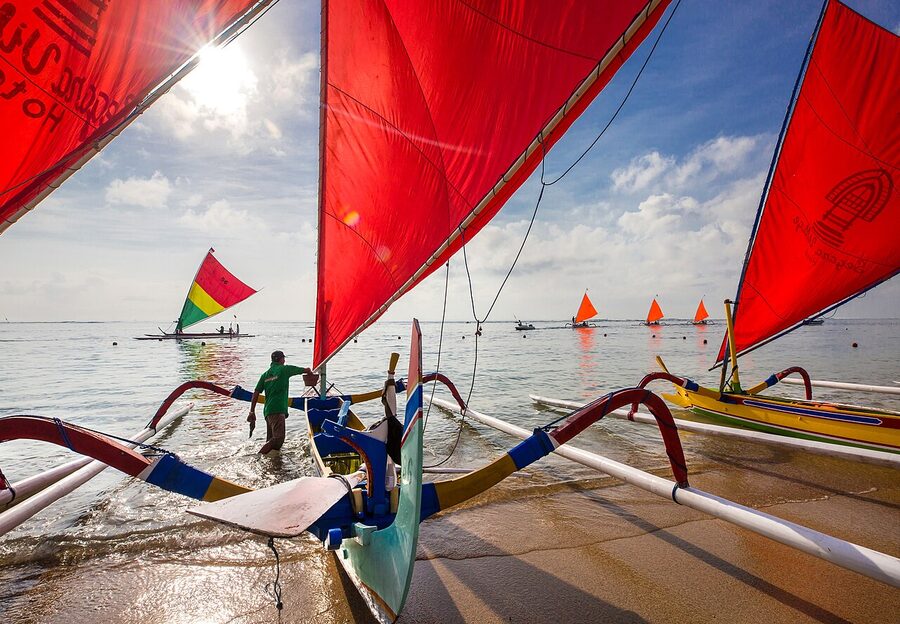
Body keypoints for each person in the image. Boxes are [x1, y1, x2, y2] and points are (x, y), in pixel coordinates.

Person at [248, 350, 309, 454]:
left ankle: (272, 465)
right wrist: (309, 371)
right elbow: (303, 370)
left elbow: (256, 393)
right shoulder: (284, 369)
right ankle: (258, 456)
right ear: (281, 359)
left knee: (271, 441)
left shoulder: (265, 375)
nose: (284, 361)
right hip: (277, 410)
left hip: (268, 412)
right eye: (283, 359)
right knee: (278, 439)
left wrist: (252, 411)